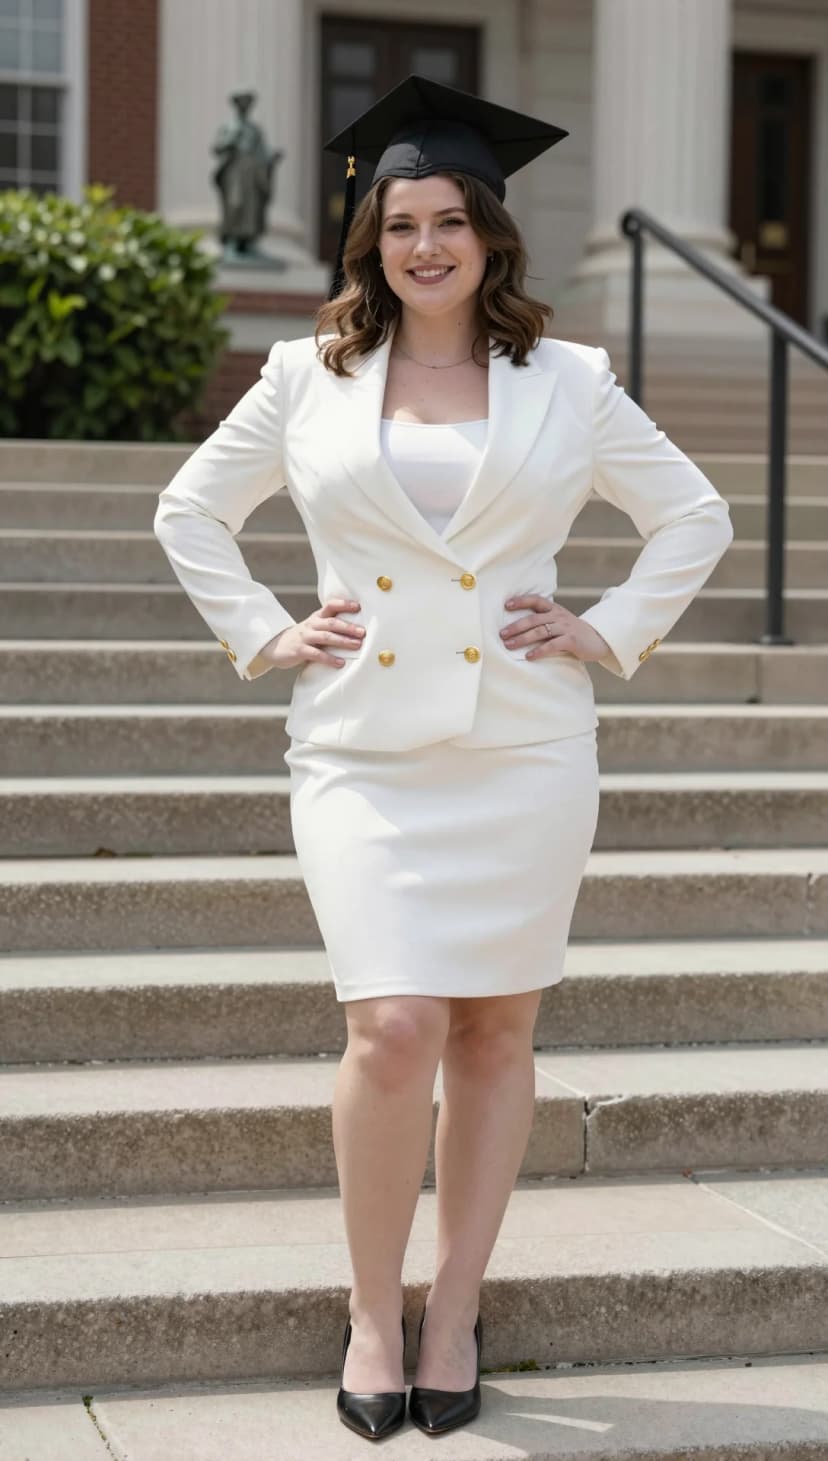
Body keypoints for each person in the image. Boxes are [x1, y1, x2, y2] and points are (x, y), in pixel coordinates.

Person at [153, 74, 734, 1443]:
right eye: (400, 221)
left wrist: (604, 628)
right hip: (362, 752)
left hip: (525, 749)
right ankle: (371, 1307)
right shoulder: (308, 375)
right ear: (372, 238)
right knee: (395, 1023)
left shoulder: (570, 381)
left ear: (490, 234)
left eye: (449, 220)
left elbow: (693, 516)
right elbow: (190, 510)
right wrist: (267, 630)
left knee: (495, 1030)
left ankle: (457, 1304)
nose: (425, 245)